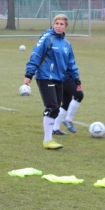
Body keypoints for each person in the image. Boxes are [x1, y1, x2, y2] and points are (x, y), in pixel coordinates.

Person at [24, 14, 82, 149]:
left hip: (59, 79)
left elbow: (71, 63)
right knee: (52, 107)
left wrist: (76, 79)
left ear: (65, 27)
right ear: (53, 24)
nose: (58, 26)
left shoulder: (67, 44)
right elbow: (36, 55)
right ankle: (48, 140)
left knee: (56, 109)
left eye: (62, 24)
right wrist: (29, 73)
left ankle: (49, 139)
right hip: (45, 77)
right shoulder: (47, 37)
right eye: (57, 23)